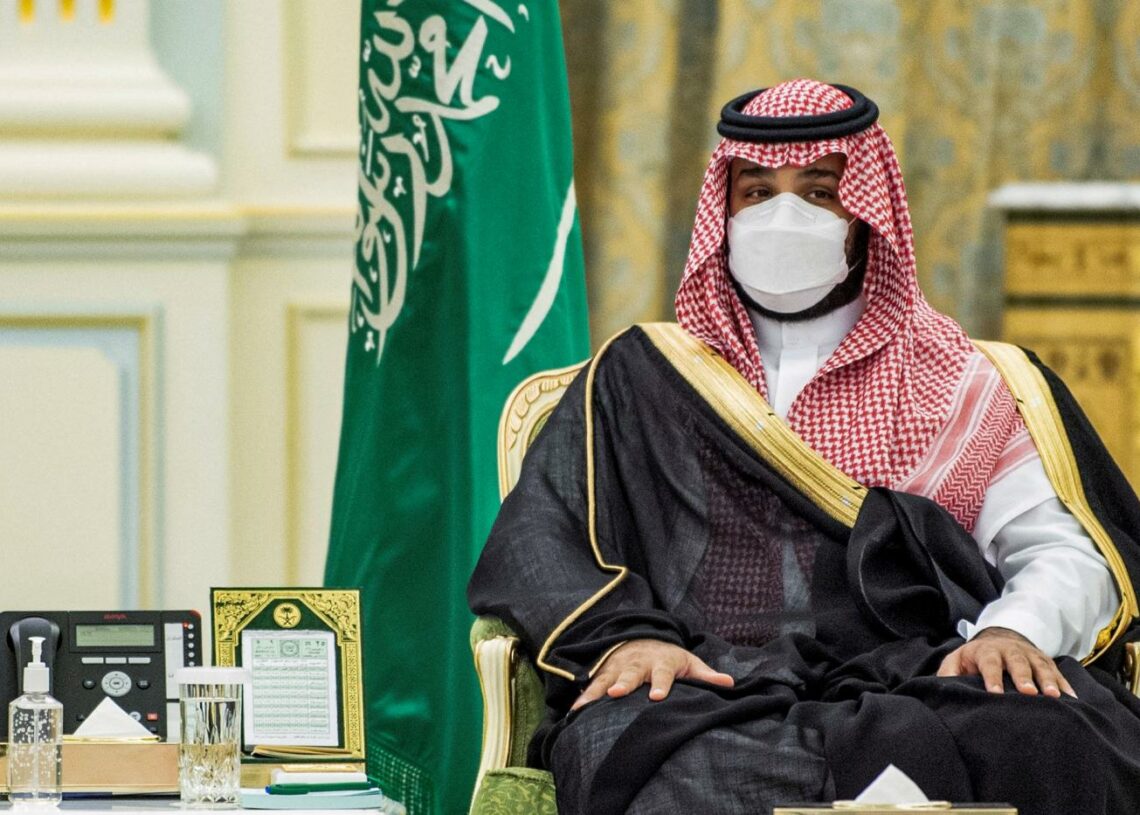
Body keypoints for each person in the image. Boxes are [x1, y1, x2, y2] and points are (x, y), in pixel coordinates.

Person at [468, 79, 1140, 814]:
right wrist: (625, 640)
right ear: (723, 213)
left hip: (929, 674)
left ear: (866, 216)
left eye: (819, 192)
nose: (784, 216)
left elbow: (1065, 550)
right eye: (757, 193)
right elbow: (546, 535)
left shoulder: (971, 382)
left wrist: (1013, 630)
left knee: (1053, 734)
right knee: (637, 746)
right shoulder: (643, 377)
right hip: (706, 684)